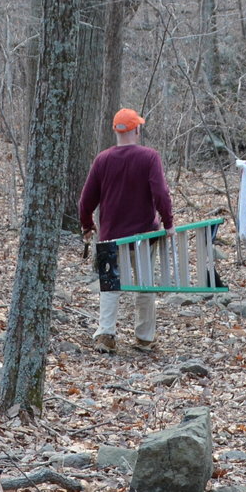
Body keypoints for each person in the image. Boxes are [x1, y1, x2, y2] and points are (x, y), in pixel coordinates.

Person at [78, 108, 173, 353]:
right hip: (144, 236)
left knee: (110, 286)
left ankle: (106, 334)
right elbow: (161, 193)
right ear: (137, 129)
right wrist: (169, 222)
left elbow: (86, 200)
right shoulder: (149, 157)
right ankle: (144, 337)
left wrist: (87, 225)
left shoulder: (102, 159)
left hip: (111, 235)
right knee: (144, 286)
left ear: (116, 130)